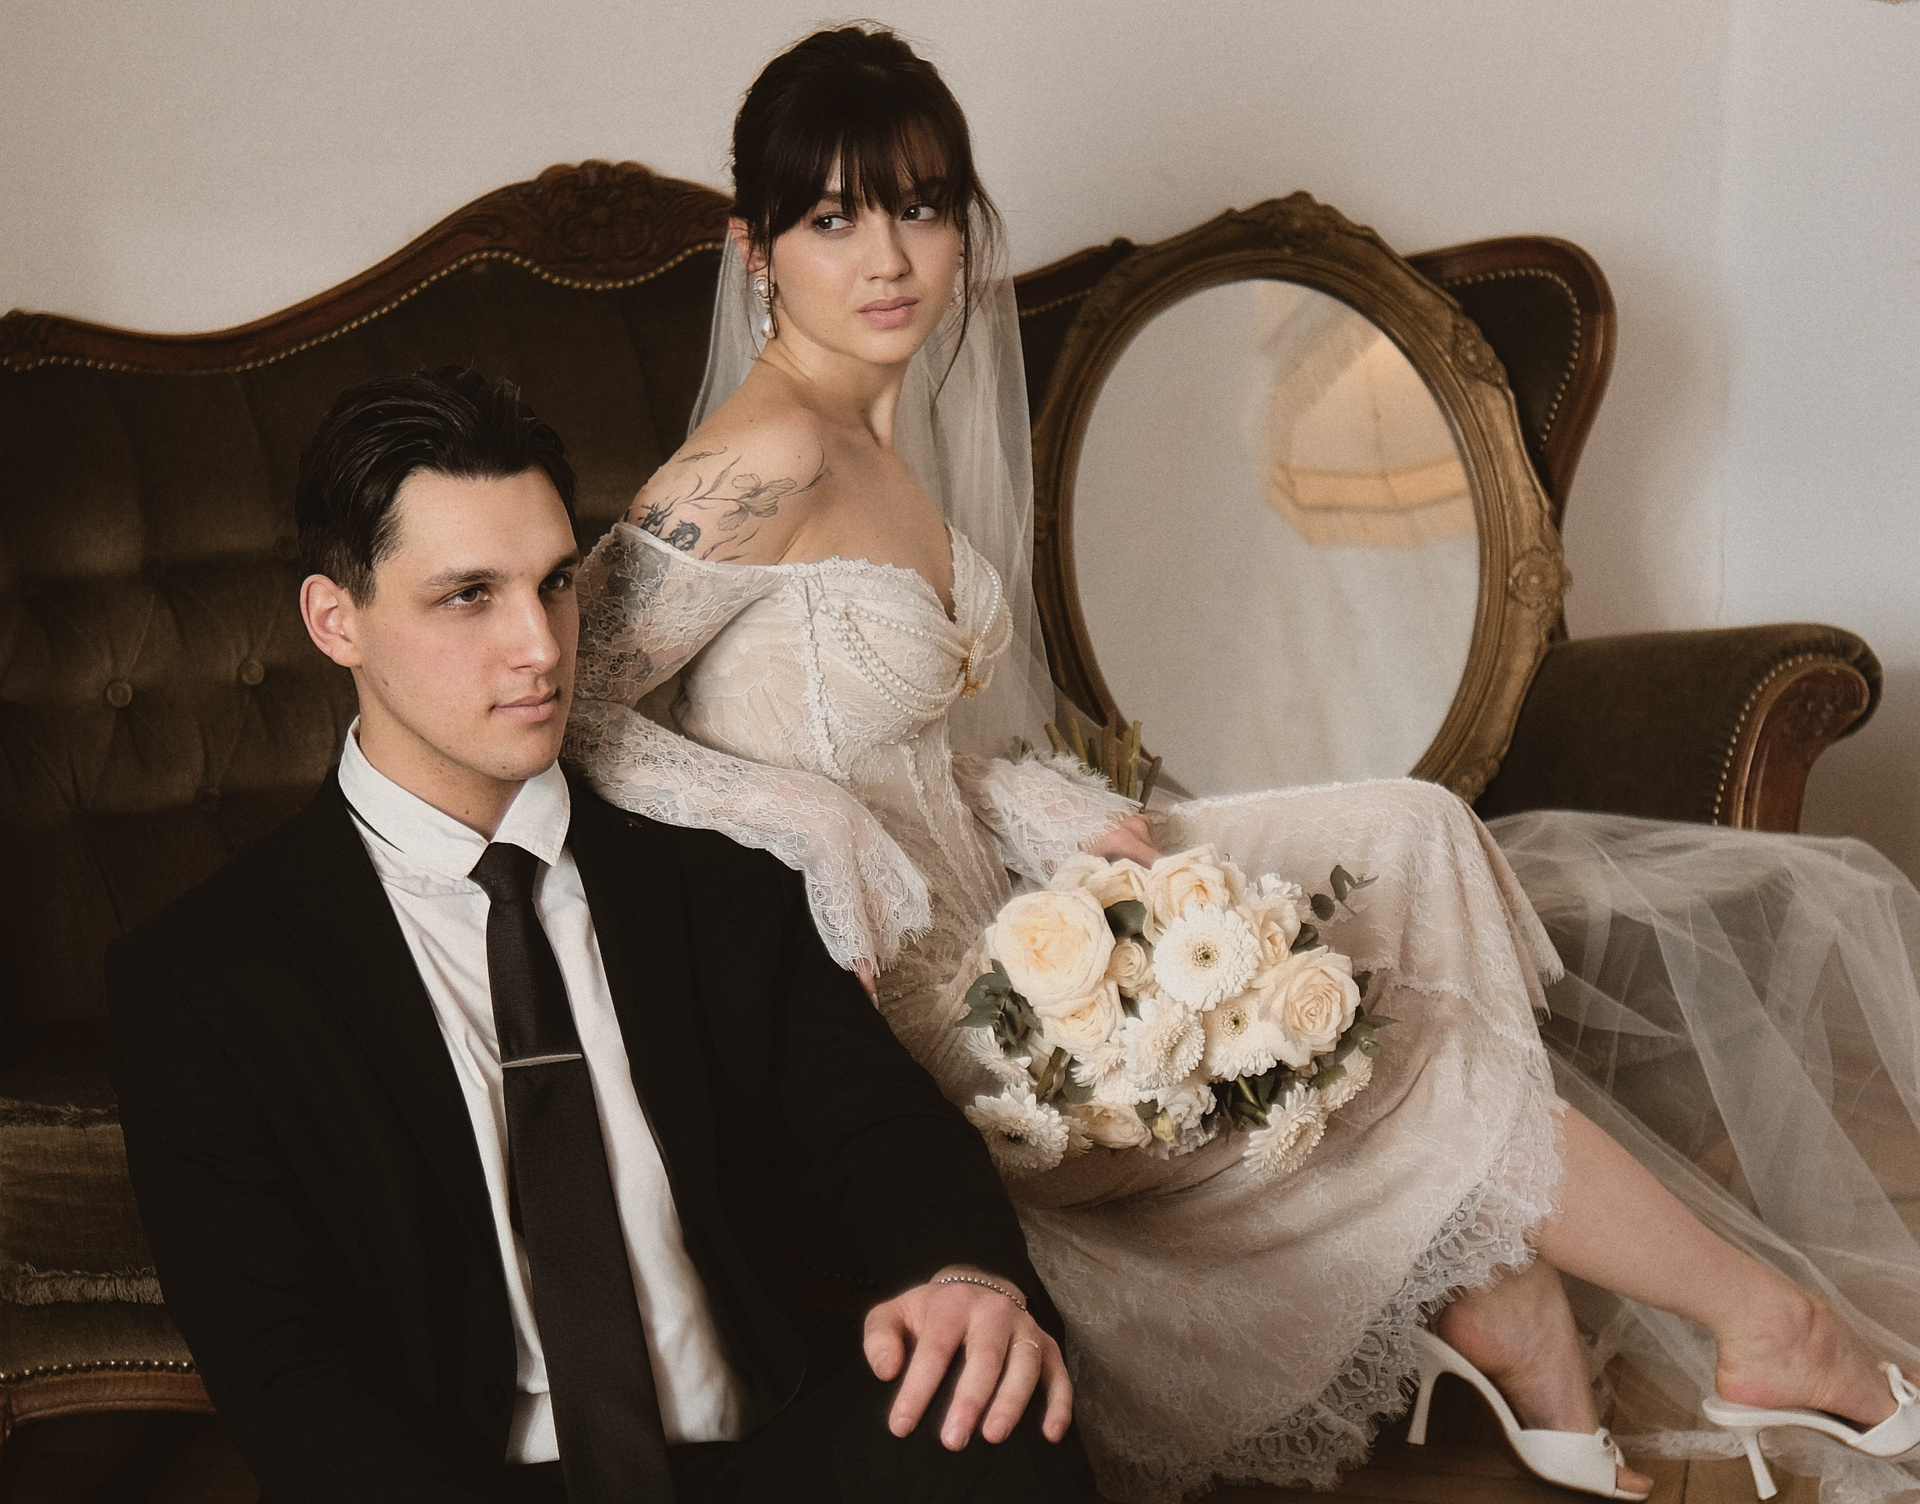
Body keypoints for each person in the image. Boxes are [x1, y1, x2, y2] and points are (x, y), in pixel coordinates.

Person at [560, 23, 1920, 1504]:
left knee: (1405, 837)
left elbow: (910, 745)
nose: (887, 257)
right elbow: (569, 709)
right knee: (1390, 1044)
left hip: (994, 904)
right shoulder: (758, 461)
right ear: (755, 249)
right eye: (833, 219)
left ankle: (1517, 1301)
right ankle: (1729, 1323)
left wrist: (1047, 808)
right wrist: (795, 817)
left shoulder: (884, 444)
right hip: (897, 991)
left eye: (923, 206)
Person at [106, 367, 1103, 1504]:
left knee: (997, 1398)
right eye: (469, 596)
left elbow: (880, 1132)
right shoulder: (204, 980)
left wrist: (968, 1276)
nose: (540, 646)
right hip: (472, 1487)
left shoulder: (717, 882)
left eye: (555, 583)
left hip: (761, 1465)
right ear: (337, 620)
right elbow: (288, 1377)